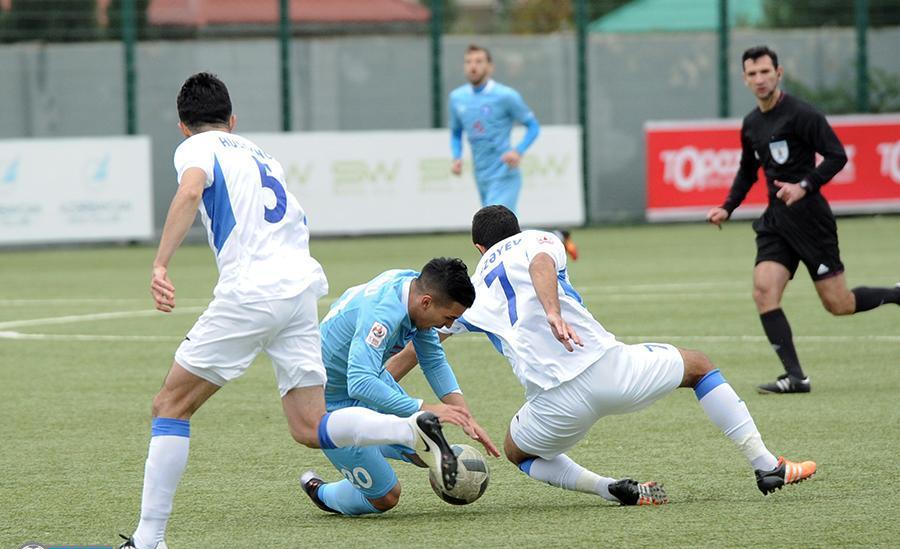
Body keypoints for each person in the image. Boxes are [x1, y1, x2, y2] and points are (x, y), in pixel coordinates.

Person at [111, 73, 465, 549]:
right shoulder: (261, 155)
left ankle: (148, 543)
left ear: (183, 127)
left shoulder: (196, 147)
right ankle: (410, 430)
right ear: (233, 120)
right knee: (309, 425)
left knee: (170, 405)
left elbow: (190, 193)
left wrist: (160, 264)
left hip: (252, 291)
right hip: (299, 290)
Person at [390, 205, 816, 505]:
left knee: (518, 453)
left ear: (479, 249)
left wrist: (379, 383)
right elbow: (540, 264)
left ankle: (606, 488)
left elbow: (422, 345)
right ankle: (766, 465)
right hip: (611, 370)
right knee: (699, 367)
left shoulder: (472, 290)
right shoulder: (537, 239)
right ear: (517, 229)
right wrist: (553, 312)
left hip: (554, 405)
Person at [707, 46, 900, 394]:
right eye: (752, 74)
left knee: (838, 304)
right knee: (764, 292)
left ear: (778, 73)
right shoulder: (751, 124)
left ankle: (896, 294)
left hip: (811, 220)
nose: (760, 79)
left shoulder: (802, 114)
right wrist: (728, 207)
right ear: (744, 79)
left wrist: (804, 186)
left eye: (765, 72)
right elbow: (748, 171)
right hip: (776, 222)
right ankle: (796, 377)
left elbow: (837, 155)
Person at [299, 258, 500, 516]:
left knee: (424, 452)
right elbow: (359, 382)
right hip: (329, 403)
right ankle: (321, 492)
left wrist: (465, 417)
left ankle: (373, 441)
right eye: (448, 318)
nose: (448, 326)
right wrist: (425, 408)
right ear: (426, 302)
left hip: (370, 379)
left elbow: (433, 360)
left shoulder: (414, 289)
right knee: (386, 498)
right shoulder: (383, 313)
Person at [449, 43, 578, 260]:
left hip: (504, 171)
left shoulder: (505, 96)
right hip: (481, 173)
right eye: (468, 61)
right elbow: (455, 132)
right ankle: (555, 237)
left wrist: (518, 151)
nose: (473, 66)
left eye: (479, 61)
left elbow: (533, 126)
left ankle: (497, 274)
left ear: (490, 67)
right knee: (504, 232)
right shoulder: (457, 98)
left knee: (492, 229)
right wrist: (456, 156)